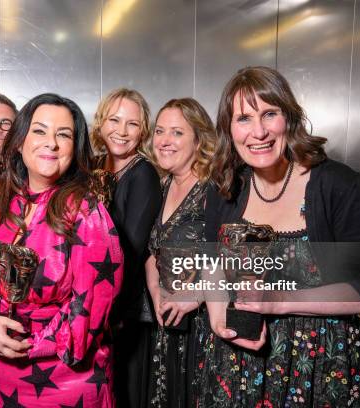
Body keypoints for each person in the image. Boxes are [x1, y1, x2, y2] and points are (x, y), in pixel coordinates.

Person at [203, 66, 360, 407]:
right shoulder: (227, 186)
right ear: (229, 129)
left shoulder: (338, 186)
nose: (258, 132)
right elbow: (212, 261)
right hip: (233, 363)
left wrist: (280, 301)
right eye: (243, 119)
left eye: (269, 114)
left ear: (289, 117)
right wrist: (216, 314)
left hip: (318, 366)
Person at [0, 93, 123, 407]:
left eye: (63, 134)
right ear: (19, 141)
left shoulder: (87, 212)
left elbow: (90, 310)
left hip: (65, 381)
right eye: (40, 131)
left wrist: (27, 345)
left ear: (74, 148)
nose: (51, 143)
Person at [90, 88, 162, 408]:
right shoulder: (92, 168)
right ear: (100, 123)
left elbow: (131, 250)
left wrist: (107, 310)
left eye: (132, 124)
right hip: (91, 301)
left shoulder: (142, 173)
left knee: (124, 393)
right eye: (114, 120)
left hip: (121, 307)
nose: (121, 131)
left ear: (143, 131)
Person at [145, 98, 217, 408]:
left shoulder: (215, 190)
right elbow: (152, 250)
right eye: (160, 131)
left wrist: (197, 295)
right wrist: (154, 289)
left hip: (204, 326)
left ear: (199, 139)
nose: (164, 140)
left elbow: (239, 258)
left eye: (177, 132)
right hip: (167, 324)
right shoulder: (159, 186)